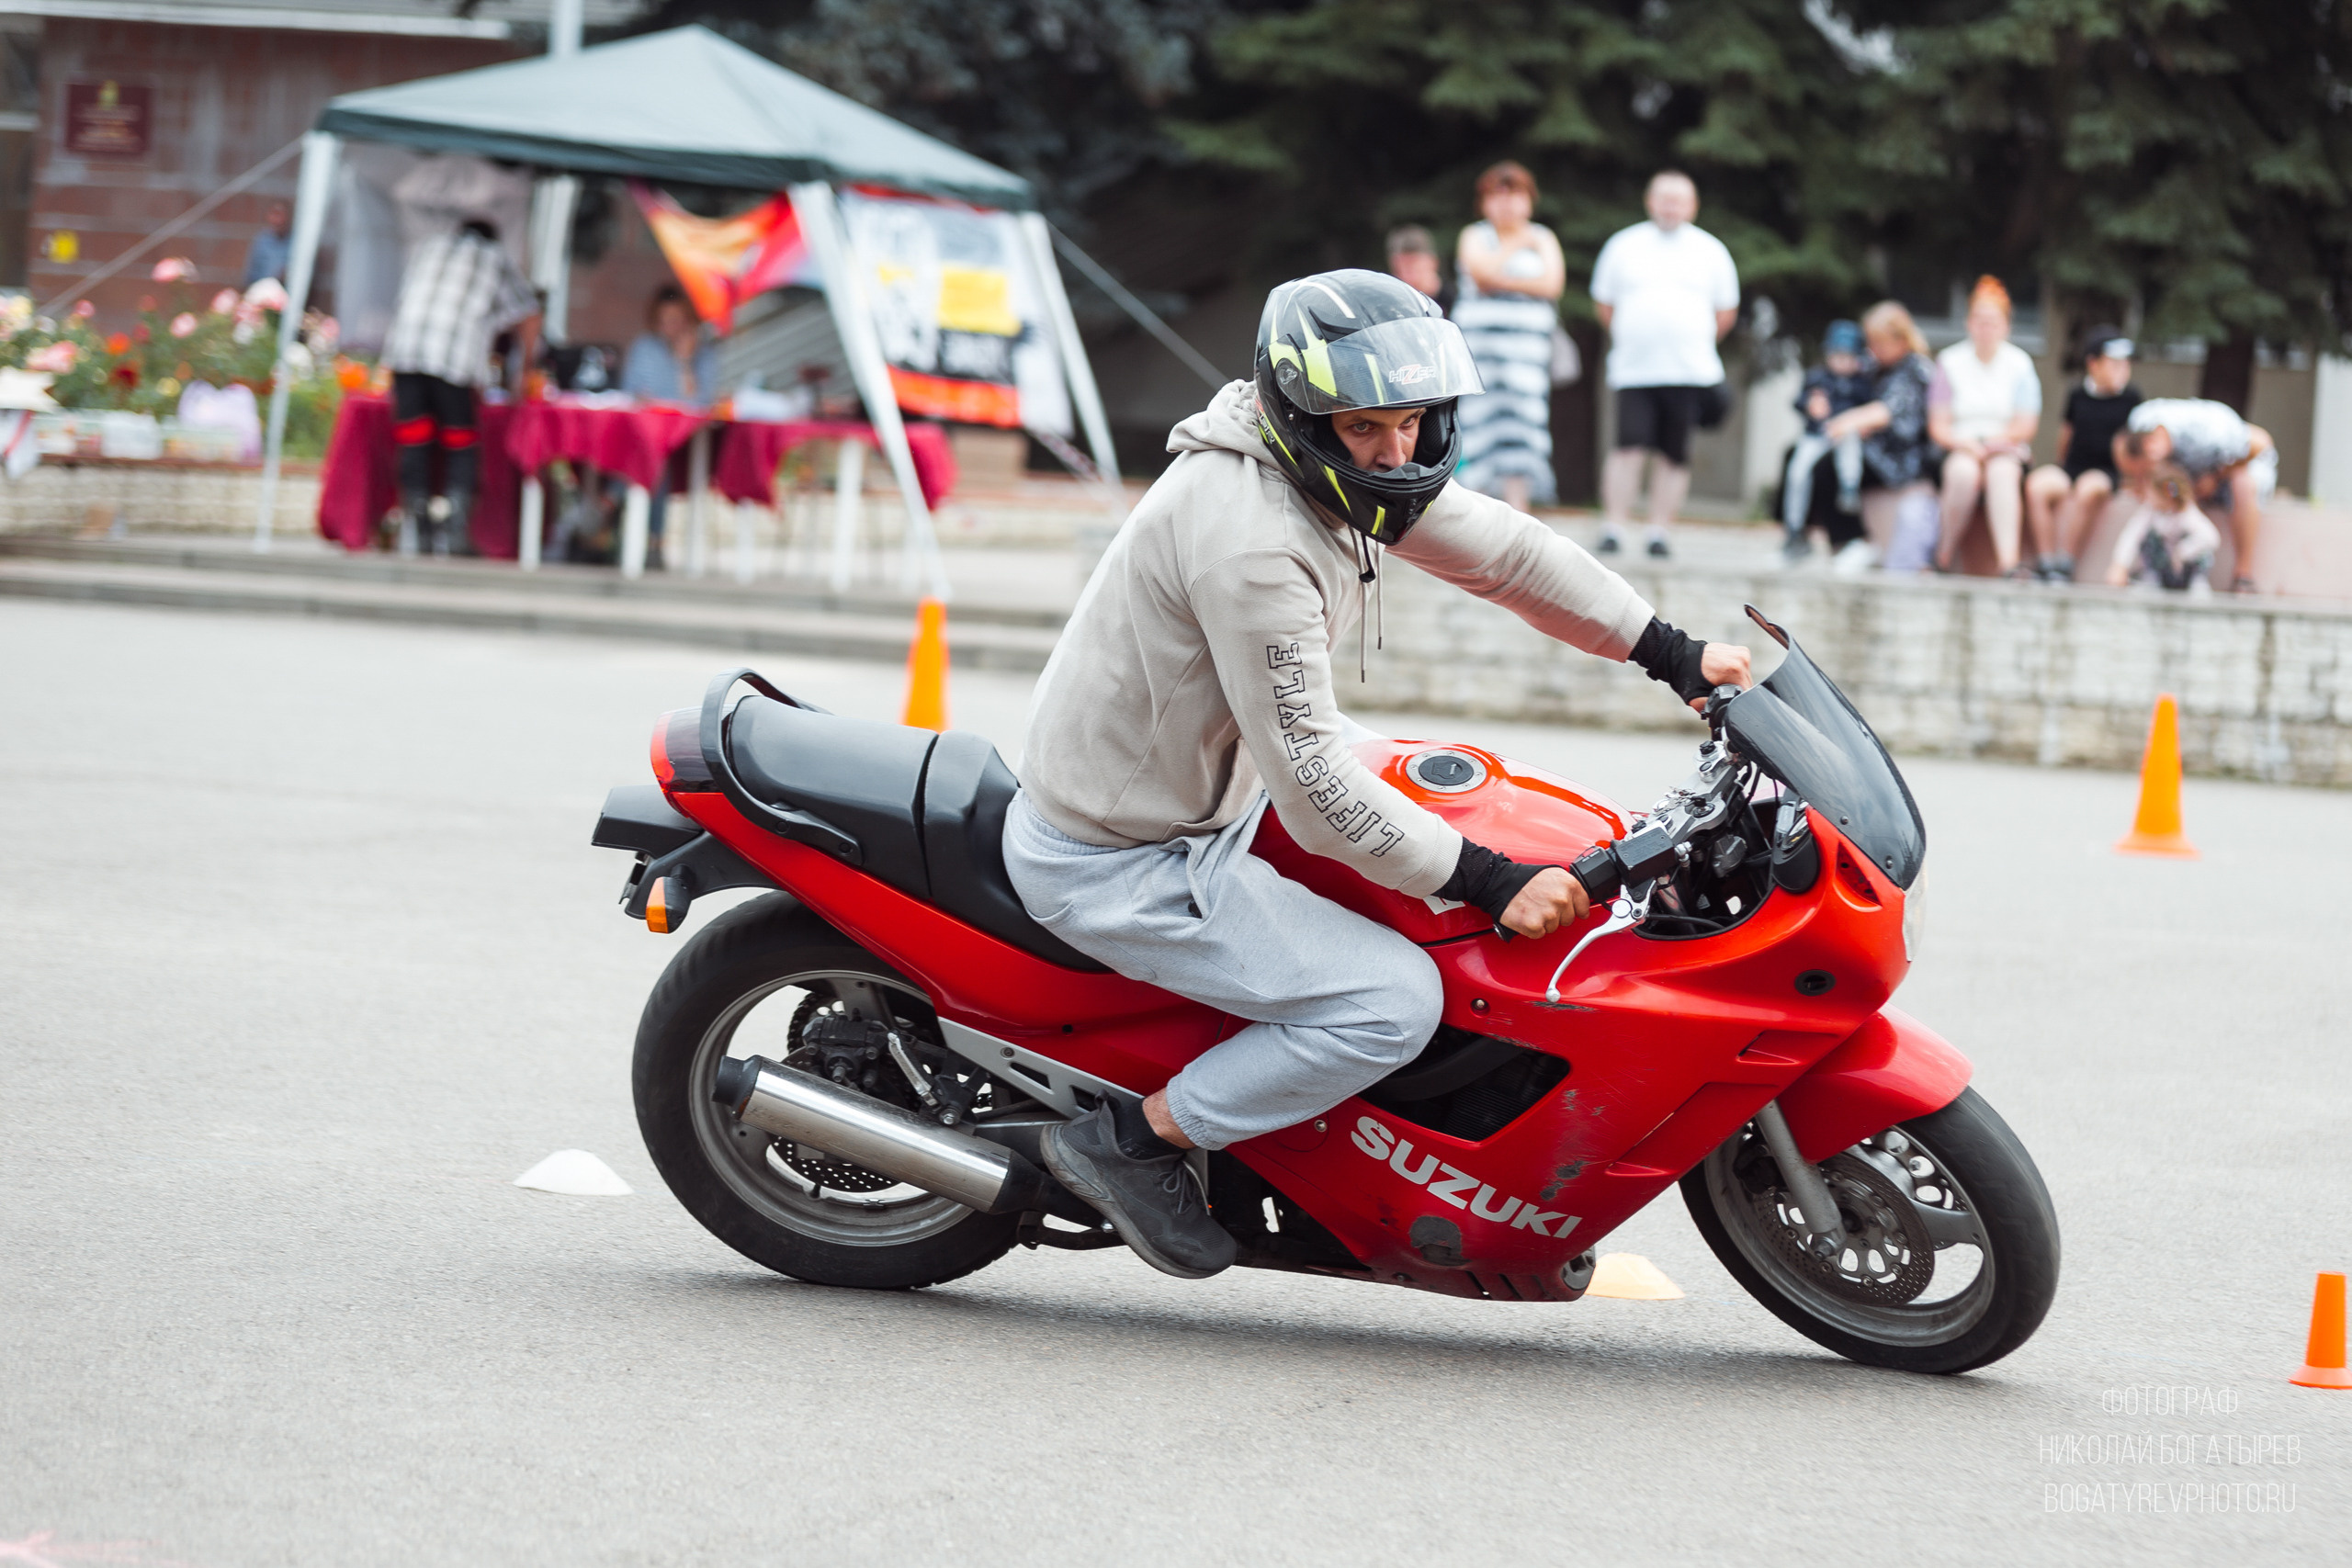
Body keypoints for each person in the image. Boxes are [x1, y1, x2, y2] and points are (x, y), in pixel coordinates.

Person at [1001, 270, 1751, 1279]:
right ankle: (1136, 1143)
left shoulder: (1326, 466)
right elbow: (1314, 791)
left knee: (1448, 791)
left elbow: (1507, 553)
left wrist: (1668, 650)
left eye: (1411, 423)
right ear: (1299, 412)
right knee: (1389, 1000)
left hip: (1208, 782)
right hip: (1127, 851)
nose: (1395, 452)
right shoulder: (1252, 543)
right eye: (1365, 428)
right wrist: (1488, 879)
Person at [1589, 170, 1739, 558]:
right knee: (1628, 448)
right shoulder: (1623, 245)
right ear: (1650, 200)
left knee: (1674, 453)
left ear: (1693, 206)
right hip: (1636, 370)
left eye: (1679, 199)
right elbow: (1605, 304)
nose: (1671, 206)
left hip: (1688, 370)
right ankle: (1614, 526)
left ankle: (1659, 530)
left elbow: (1725, 312)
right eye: (1664, 198)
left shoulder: (1711, 251)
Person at [380, 218, 540, 556]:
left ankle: (419, 530)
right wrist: (522, 373)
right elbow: (529, 313)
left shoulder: (429, 246)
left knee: (415, 438)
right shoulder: (494, 255)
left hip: (405, 353)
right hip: (452, 358)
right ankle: (454, 533)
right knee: (460, 441)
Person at [1452, 162, 1565, 513]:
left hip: (1525, 357)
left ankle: (1521, 511)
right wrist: (1515, 245)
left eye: (1515, 196)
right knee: (1477, 427)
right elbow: (1480, 275)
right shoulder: (1474, 235)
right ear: (1484, 202)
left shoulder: (1544, 237)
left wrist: (1501, 278)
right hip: (1480, 354)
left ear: (1529, 200)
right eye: (1497, 197)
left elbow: (1551, 285)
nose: (1507, 205)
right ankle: (1477, 513)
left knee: (1523, 431)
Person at [1928, 276, 2041, 578]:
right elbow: (1938, 424)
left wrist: (1995, 441)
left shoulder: (2020, 363)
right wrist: (1964, 443)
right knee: (1962, 473)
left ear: (2006, 325)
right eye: (1979, 320)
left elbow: (2026, 423)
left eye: (1992, 321)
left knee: (2003, 473)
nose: (1985, 327)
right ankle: (1944, 553)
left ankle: (2009, 562)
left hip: (2004, 444)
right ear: (1968, 323)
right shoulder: (1950, 361)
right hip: (1961, 443)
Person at [1818, 301, 1939, 576]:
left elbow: (1886, 412)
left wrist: (1845, 423)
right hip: (1871, 448)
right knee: (1807, 459)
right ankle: (1803, 537)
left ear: (1899, 340)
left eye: (1878, 342)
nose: (1873, 349)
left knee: (1828, 466)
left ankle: (1856, 541)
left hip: (1901, 460)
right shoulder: (1876, 367)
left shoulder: (1916, 368)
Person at [2116, 397, 2276, 592]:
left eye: (2142, 474)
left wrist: (2216, 477)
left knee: (2244, 482)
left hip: (2239, 463)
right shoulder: (2139, 422)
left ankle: (2243, 575)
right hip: (2194, 475)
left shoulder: (2205, 433)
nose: (2140, 484)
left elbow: (2261, 442)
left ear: (2151, 448)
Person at [2023, 327, 2142, 583]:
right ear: (2093, 364)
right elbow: (2066, 435)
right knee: (2036, 486)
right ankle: (2046, 560)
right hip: (2073, 467)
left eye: (2125, 363)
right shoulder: (2077, 394)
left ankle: (2066, 561)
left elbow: (2132, 446)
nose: (2122, 369)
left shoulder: (2131, 399)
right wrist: (2062, 464)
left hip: (2106, 471)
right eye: (2114, 363)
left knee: (2089, 489)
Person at [1779, 319, 1873, 563]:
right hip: (1816, 436)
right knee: (1797, 471)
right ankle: (1795, 528)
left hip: (1844, 438)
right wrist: (1810, 405)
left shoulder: (1861, 383)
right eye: (1837, 355)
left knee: (1848, 445)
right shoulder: (1817, 378)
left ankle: (1849, 487)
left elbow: (1869, 408)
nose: (1841, 362)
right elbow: (1797, 401)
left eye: (1847, 357)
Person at [2104, 460, 2221, 593]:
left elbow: (2211, 537)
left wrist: (2182, 552)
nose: (2147, 495)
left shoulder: (2186, 513)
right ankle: (2151, 581)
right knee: (2150, 540)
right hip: (2161, 571)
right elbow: (2132, 535)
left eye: (2150, 491)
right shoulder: (2150, 512)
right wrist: (2120, 565)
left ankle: (2196, 584)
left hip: (2185, 571)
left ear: (2165, 494)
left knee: (2202, 555)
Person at [620, 284, 721, 406]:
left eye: (674, 320)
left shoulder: (706, 353)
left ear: (688, 320)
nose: (669, 328)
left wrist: (685, 363)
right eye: (663, 322)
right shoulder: (645, 348)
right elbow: (630, 396)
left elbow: (699, 406)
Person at [1385, 225, 1453, 314]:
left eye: (1413, 268)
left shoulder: (1459, 302)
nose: (1406, 276)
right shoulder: (1391, 307)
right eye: (1399, 270)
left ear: (1433, 262)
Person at [243, 200, 291, 288]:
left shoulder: (296, 244)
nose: (278, 220)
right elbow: (250, 274)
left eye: (280, 215)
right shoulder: (262, 241)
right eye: (274, 214)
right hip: (261, 292)